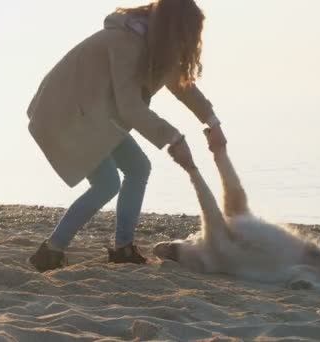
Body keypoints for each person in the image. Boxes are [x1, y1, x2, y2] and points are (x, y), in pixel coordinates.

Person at [26, 0, 227, 272]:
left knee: (138, 167)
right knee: (107, 184)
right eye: (186, 32)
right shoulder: (127, 42)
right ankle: (51, 251)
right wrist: (174, 139)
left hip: (96, 115)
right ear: (174, 28)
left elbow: (182, 86)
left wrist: (213, 123)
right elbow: (130, 107)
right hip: (68, 114)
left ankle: (123, 249)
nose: (189, 41)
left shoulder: (154, 45)